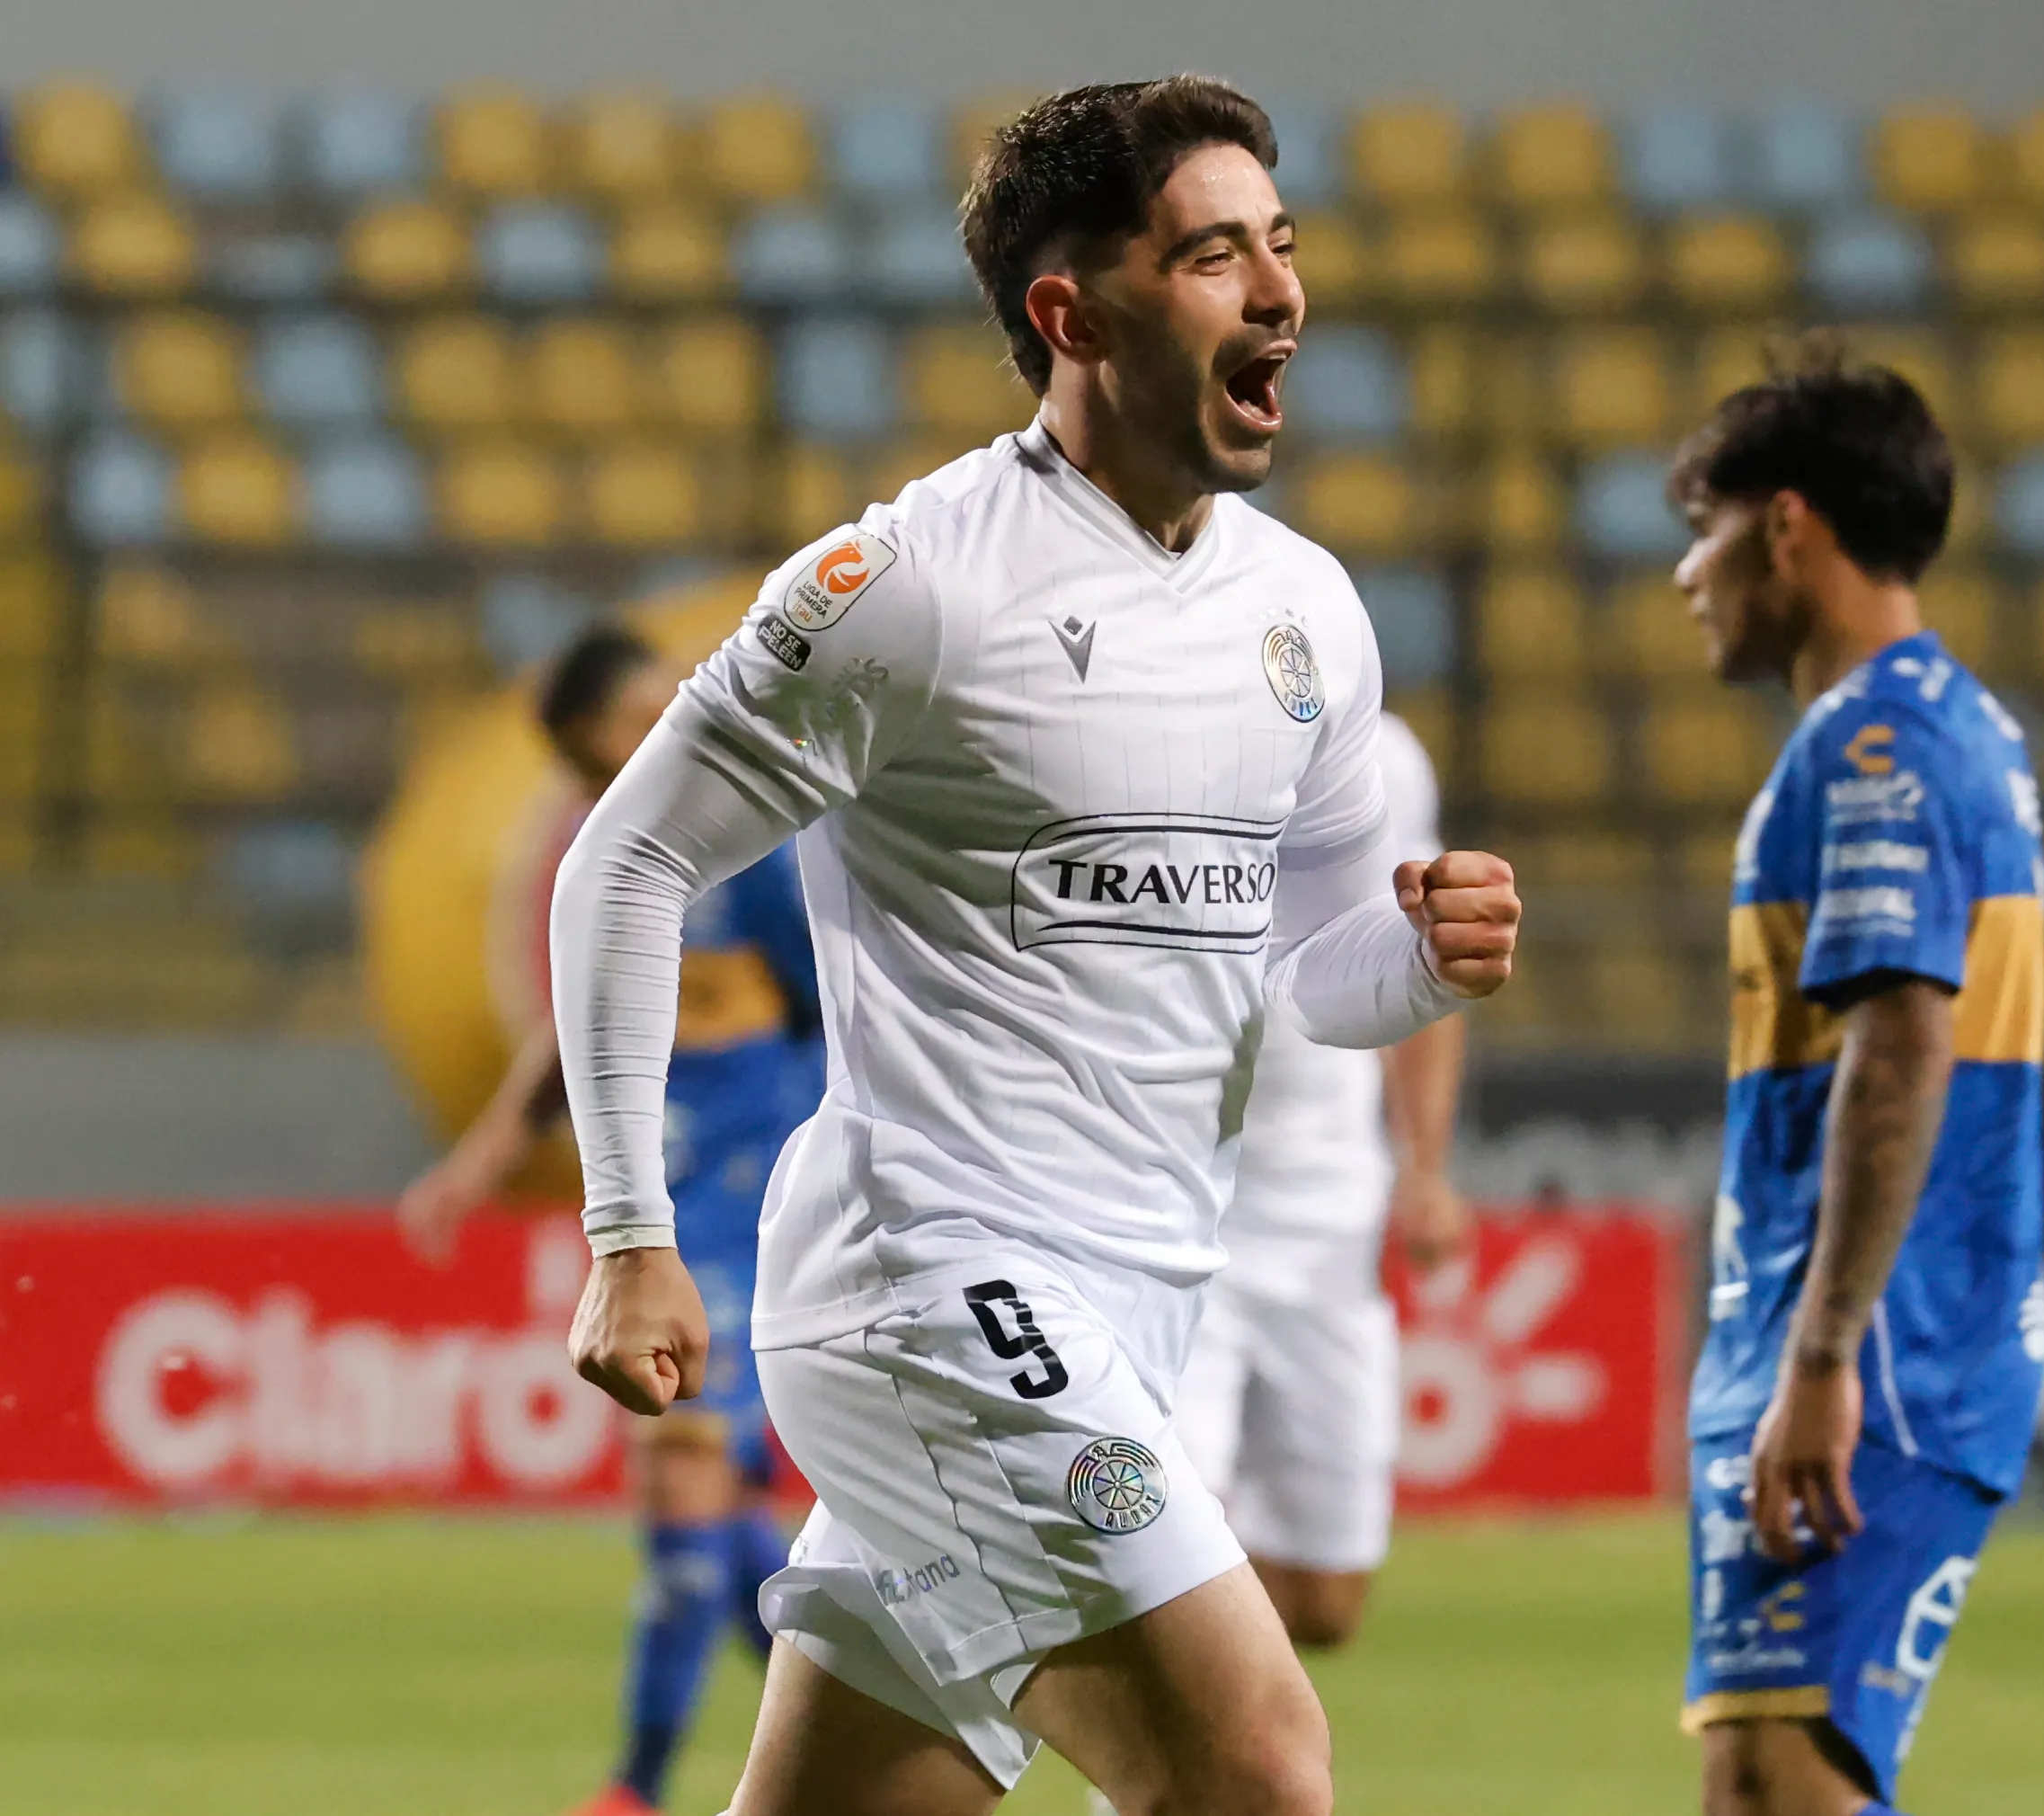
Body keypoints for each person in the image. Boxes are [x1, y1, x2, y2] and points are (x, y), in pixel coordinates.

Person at [544, 77, 1521, 1816]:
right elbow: (623, 862)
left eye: (1279, 245)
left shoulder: (1306, 615)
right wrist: (628, 1234)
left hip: (1137, 1309)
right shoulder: (908, 585)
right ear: (1070, 316)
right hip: (930, 1287)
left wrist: (1422, 963)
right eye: (1210, 257)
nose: (1278, 294)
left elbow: (1306, 977)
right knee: (1255, 1767)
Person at [1666, 337, 2044, 1816]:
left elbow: (1899, 1044)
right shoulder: (1942, 729)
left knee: (1779, 1783)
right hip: (1866, 1344)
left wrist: (1823, 1355)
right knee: (1758, 1782)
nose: (1685, 575)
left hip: (1876, 1357)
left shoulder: (1880, 748)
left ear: (1784, 527)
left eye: (1702, 530)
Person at [395, 623, 823, 1816]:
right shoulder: (615, 856)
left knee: (679, 1465)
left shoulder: (756, 845)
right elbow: (579, 1023)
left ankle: (633, 1790)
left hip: (749, 1192)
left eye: (644, 724)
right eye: (606, 752)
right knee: (715, 1505)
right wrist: (483, 1158)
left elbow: (842, 1001)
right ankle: (887, 1732)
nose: (637, 756)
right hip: (672, 1196)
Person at [1173, 711, 1468, 1651]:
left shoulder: (1382, 754)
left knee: (1325, 1600)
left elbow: (1424, 959)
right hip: (1172, 1201)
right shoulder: (1156, 717)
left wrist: (1423, 1169)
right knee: (1163, 1554)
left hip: (1326, 1206)